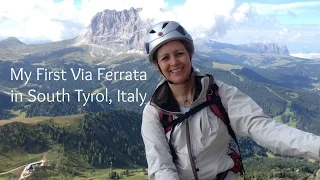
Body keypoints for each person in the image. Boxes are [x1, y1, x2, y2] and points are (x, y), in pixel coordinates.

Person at [140, 21, 320, 180]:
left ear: (190, 54)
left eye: (179, 53)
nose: (174, 62)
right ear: (158, 65)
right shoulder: (154, 113)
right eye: (165, 58)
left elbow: (266, 130)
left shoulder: (219, 94)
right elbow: (161, 168)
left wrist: (316, 147)